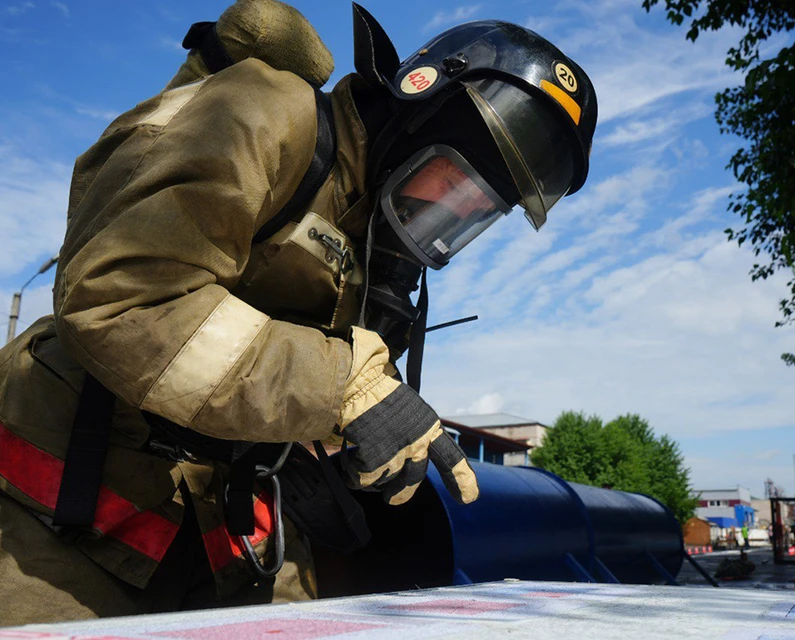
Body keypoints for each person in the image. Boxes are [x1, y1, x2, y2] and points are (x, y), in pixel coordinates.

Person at [0, 0, 597, 625]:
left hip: (217, 525)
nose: (454, 213)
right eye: (458, 181)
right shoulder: (265, 112)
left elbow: (284, 385)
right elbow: (121, 297)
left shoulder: (376, 244)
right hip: (59, 507)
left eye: (479, 208)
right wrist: (340, 386)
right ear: (421, 102)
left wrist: (359, 433)